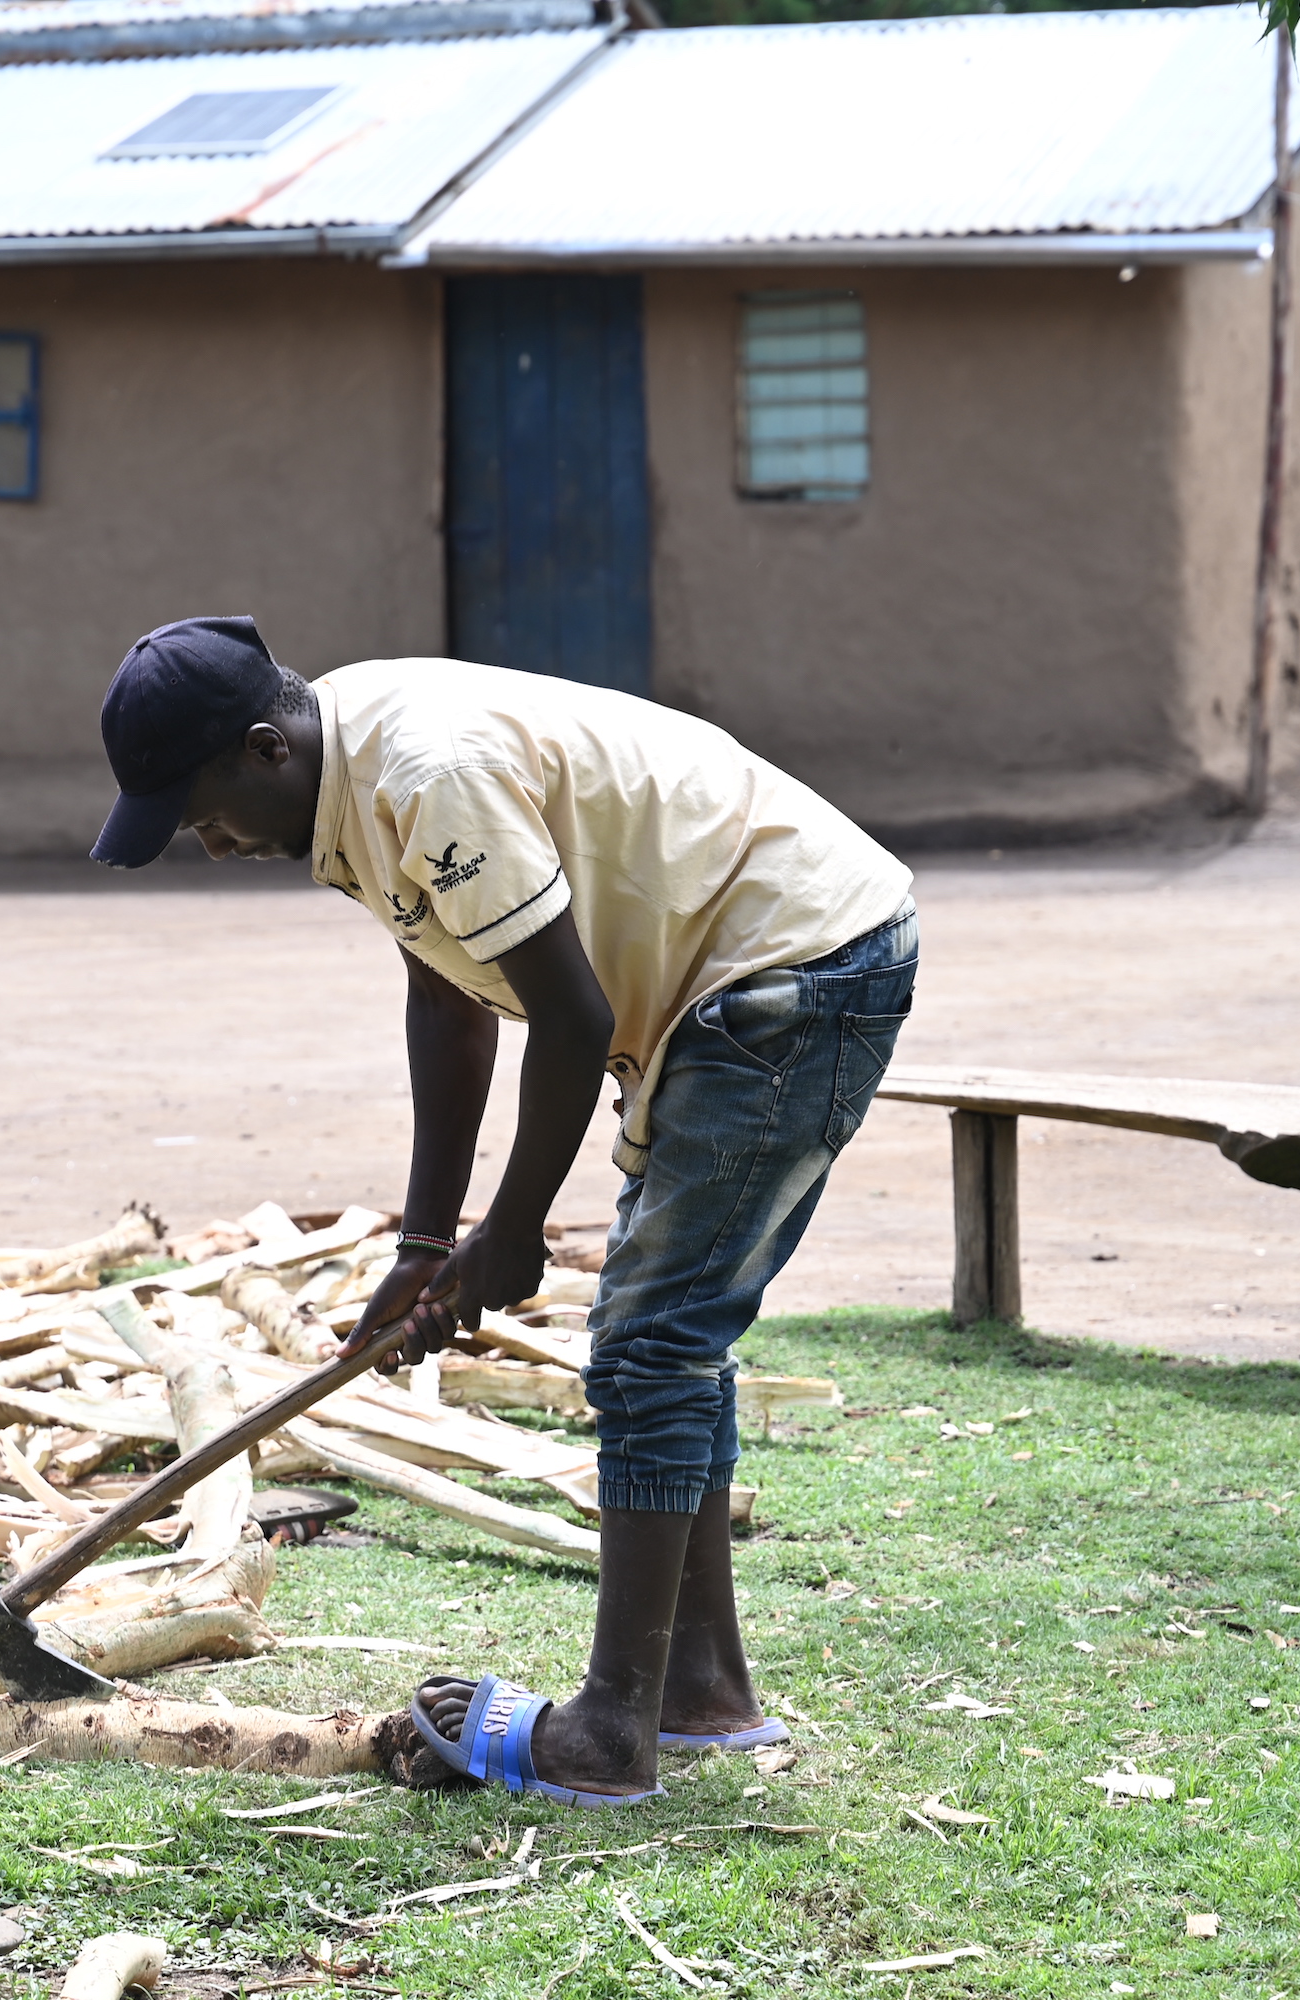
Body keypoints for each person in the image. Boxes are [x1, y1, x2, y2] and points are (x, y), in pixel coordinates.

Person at [89, 615, 917, 1806]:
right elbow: (450, 987)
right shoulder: (344, 766)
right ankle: (701, 1685)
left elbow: (571, 1018)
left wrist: (514, 1231)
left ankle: (609, 1733)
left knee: (650, 1343)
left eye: (203, 812)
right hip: (728, 975)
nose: (209, 845)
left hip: (793, 964)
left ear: (265, 748)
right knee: (670, 1336)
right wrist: (427, 1242)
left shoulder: (426, 774)